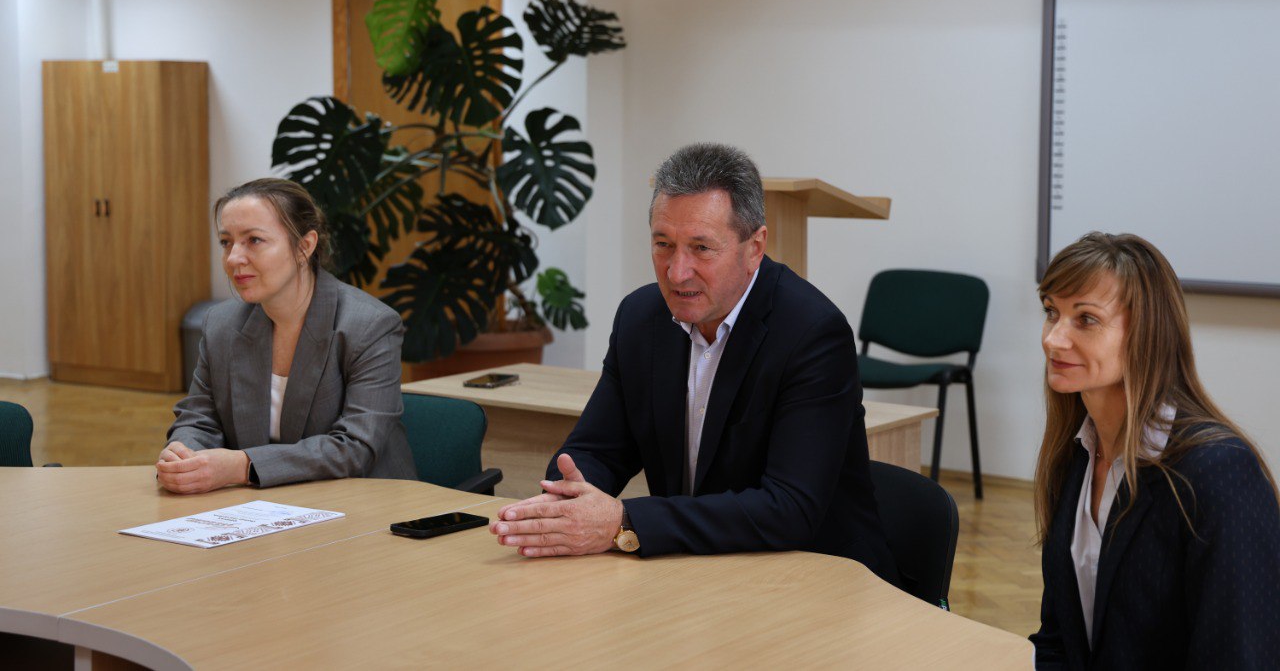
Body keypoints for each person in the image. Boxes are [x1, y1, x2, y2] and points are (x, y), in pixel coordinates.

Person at [488, 143, 898, 583]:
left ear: (755, 247)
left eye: (701, 248)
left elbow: (789, 509)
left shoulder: (811, 333)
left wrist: (623, 521)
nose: (676, 272)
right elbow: (597, 449)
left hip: (817, 578)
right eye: (663, 244)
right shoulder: (640, 318)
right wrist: (568, 498)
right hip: (692, 569)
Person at [1030, 232, 1280, 668]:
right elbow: (1058, 639)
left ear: (1147, 334)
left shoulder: (1220, 472)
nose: (1053, 339)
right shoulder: (1073, 455)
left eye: (1085, 319)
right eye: (1052, 312)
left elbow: (1240, 657)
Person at [157, 178, 416, 493]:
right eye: (226, 242)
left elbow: (356, 447)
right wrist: (184, 454)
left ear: (304, 246)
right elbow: (198, 418)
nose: (234, 258)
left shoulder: (369, 325)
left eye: (254, 240)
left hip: (366, 501)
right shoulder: (221, 324)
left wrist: (242, 466)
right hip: (261, 506)